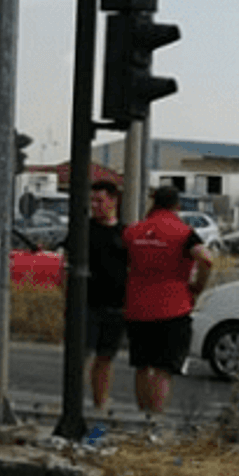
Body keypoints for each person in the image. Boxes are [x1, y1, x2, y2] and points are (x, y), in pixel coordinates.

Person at [122, 185, 212, 431]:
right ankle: (156, 422)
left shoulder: (132, 232)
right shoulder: (184, 233)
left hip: (137, 307)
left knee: (141, 366)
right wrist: (196, 286)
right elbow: (206, 259)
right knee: (163, 369)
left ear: (153, 203)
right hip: (173, 307)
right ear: (177, 206)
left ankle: (142, 419)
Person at [85, 179, 127, 427]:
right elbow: (65, 265)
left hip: (116, 306)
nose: (95, 205)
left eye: (100, 201)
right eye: (92, 201)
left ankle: (100, 406)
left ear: (113, 201)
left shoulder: (124, 233)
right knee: (82, 356)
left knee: (105, 358)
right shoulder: (84, 230)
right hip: (87, 305)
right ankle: (74, 404)